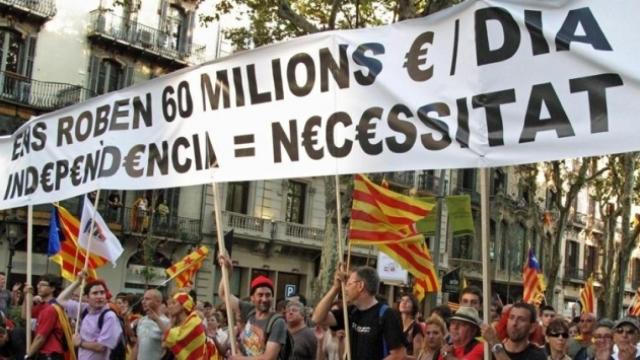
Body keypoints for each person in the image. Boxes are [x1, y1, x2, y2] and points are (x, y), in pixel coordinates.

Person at [312, 264, 406, 360]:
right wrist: (335, 288)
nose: (345, 288)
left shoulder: (387, 314)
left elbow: (399, 355)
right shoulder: (351, 311)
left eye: (348, 284)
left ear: (360, 285)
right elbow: (317, 318)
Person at [218, 254, 286, 360]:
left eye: (268, 295)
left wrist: (239, 359)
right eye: (260, 295)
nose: (264, 299)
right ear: (252, 298)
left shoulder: (277, 322)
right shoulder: (249, 310)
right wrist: (229, 271)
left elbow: (269, 358)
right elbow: (223, 294)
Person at [57, 275, 123, 360]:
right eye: (95, 293)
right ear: (87, 298)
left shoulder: (109, 316)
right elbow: (60, 300)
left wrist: (80, 343)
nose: (99, 296)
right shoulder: (85, 309)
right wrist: (78, 282)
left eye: (102, 293)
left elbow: (101, 346)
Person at [24, 274, 74, 360]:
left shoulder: (52, 308)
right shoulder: (42, 305)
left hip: (50, 354)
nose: (39, 287)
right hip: (44, 353)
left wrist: (28, 355)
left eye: (43, 285)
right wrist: (27, 296)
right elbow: (25, 315)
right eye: (38, 284)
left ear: (52, 288)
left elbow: (41, 337)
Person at [162, 292, 220, 360]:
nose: (170, 306)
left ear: (183, 305)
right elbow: (164, 344)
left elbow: (168, 339)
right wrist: (171, 322)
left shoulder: (194, 321)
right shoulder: (177, 323)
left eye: (174, 303)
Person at [132, 289, 170, 360]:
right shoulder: (141, 321)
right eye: (143, 299)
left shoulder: (166, 322)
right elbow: (137, 345)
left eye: (147, 299)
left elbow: (169, 348)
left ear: (158, 302)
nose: (143, 302)